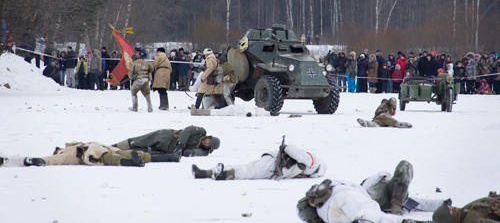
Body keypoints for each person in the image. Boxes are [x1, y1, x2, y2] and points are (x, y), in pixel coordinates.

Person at [297, 161, 443, 223]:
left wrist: (443, 204)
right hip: (363, 198)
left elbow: (421, 203)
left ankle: (394, 211)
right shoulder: (369, 187)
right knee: (369, 211)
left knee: (370, 211)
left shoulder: (400, 194)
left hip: (369, 202)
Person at [192, 143, 326, 180]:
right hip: (274, 163)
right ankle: (224, 173)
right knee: (249, 170)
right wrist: (285, 148)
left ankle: (205, 173)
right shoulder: (311, 161)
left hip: (274, 169)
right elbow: (292, 149)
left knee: (249, 170)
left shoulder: (306, 171)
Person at [42, 142, 181, 167]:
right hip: (96, 155)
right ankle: (134, 163)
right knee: (115, 160)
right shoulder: (65, 154)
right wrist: (37, 160)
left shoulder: (75, 144)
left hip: (107, 148)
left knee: (136, 153)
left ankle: (171, 158)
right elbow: (53, 160)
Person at [113, 126, 220, 157]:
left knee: (142, 151)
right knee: (140, 141)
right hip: (168, 136)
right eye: (209, 140)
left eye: (209, 144)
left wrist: (191, 152)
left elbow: (194, 153)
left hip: (169, 149)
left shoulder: (204, 151)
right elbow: (188, 130)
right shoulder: (201, 132)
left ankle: (118, 153)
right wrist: (180, 144)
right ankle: (117, 146)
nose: (207, 142)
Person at [432, 192, 500, 223]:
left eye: (448, 207)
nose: (450, 208)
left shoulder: (463, 212)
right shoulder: (471, 220)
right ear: (449, 219)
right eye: (449, 211)